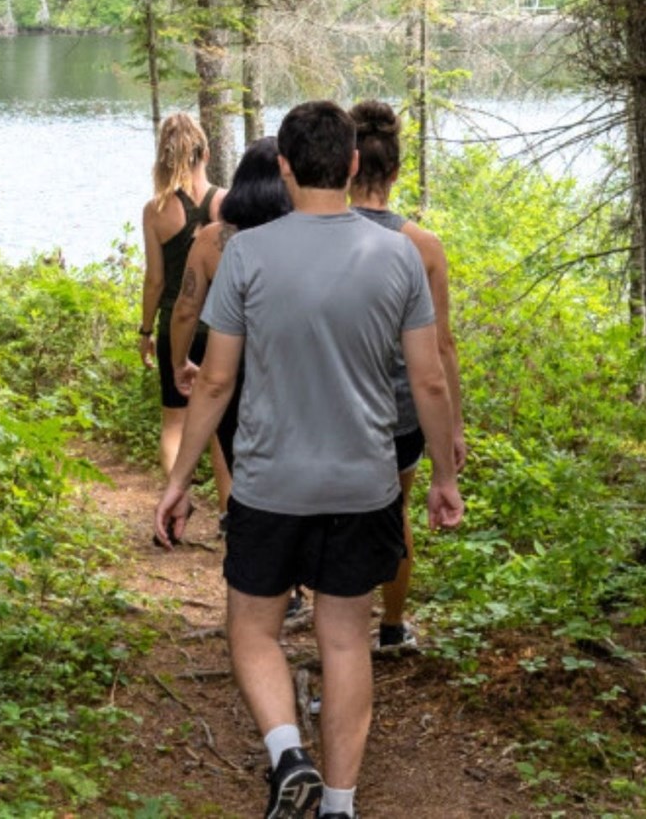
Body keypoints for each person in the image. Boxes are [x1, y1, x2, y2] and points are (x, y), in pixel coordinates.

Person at [153, 101, 464, 819]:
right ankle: (341, 805)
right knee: (346, 640)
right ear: (353, 164)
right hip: (365, 483)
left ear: (285, 167)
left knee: (254, 629)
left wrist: (179, 481)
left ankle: (290, 755)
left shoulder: (248, 254)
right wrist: (443, 475)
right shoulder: (399, 253)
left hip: (269, 483)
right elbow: (428, 379)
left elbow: (218, 379)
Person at [346, 99, 468, 656]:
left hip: (333, 408)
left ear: (349, 167)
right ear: (395, 173)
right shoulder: (424, 246)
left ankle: (340, 631)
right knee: (393, 517)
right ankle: (391, 629)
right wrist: (453, 431)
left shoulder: (316, 235)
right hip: (399, 414)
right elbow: (440, 348)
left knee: (335, 520)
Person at [168, 136, 290, 480]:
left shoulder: (212, 238)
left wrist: (180, 362)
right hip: (285, 362)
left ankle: (236, 521)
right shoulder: (300, 238)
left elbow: (186, 308)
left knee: (240, 463)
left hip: (228, 359)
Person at [138, 113, 231, 527]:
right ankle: (232, 516)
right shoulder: (225, 204)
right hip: (220, 327)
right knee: (220, 427)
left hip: (176, 326)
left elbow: (155, 281)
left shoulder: (156, 210)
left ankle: (180, 498)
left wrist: (145, 332)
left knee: (174, 421)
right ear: (206, 153)